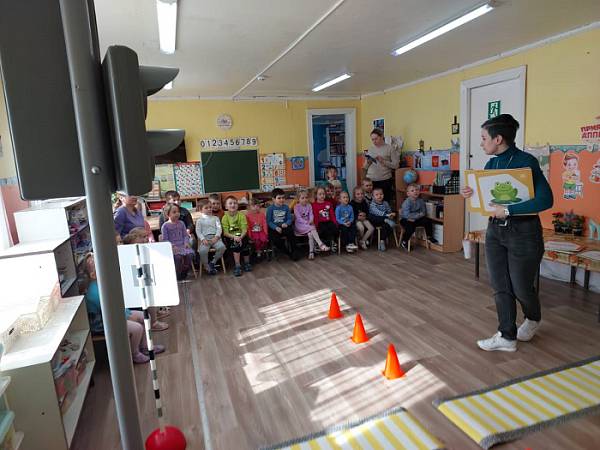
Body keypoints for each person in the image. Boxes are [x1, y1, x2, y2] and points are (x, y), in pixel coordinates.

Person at [460, 114, 553, 352]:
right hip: (495, 232)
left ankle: (533, 318)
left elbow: (546, 200)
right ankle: (506, 336)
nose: (481, 143)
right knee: (500, 285)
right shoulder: (491, 165)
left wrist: (510, 210)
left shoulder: (526, 162)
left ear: (498, 139)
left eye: (484, 138)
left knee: (521, 287)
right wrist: (472, 193)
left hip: (524, 233)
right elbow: (490, 200)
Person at [81, 253, 165, 364]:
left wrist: (126, 314)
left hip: (112, 316)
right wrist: (126, 316)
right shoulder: (95, 292)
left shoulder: (102, 285)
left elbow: (114, 306)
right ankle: (135, 354)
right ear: (93, 275)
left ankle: (145, 346)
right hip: (102, 324)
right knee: (137, 328)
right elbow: (109, 312)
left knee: (145, 317)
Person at [122, 227, 169, 330]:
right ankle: (153, 322)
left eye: (146, 236)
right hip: (134, 286)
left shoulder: (142, 248)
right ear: (134, 239)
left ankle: (156, 313)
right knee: (149, 290)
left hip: (140, 280)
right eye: (143, 237)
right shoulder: (131, 251)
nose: (146, 239)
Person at [362, 128, 399, 203]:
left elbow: (396, 165)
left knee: (385, 202)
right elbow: (365, 167)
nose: (374, 141)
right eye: (372, 139)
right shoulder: (371, 148)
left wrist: (383, 161)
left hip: (384, 180)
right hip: (371, 180)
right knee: (371, 202)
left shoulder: (390, 148)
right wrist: (368, 162)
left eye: (376, 139)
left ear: (382, 136)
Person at [161, 204, 195, 280]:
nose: (177, 214)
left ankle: (185, 270)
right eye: (174, 212)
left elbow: (185, 235)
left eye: (178, 212)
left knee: (190, 255)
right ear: (168, 214)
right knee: (178, 257)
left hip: (182, 245)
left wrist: (186, 242)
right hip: (173, 247)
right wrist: (172, 246)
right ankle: (177, 273)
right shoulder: (165, 226)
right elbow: (165, 239)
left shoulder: (181, 223)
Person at [294, 189, 330, 260]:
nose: (305, 199)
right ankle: (320, 244)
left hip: (308, 225)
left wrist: (311, 220)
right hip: (300, 226)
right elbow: (298, 218)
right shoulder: (296, 207)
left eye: (306, 197)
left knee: (310, 234)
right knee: (313, 228)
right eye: (302, 198)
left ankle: (311, 252)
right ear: (298, 199)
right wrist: (307, 222)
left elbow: (311, 215)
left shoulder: (309, 206)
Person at [221, 196, 252, 276]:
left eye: (235, 203)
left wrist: (240, 237)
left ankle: (247, 263)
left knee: (246, 245)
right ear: (226, 206)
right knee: (236, 245)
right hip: (231, 237)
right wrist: (235, 237)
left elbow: (244, 229)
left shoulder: (241, 215)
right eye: (230, 203)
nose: (233, 205)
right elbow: (225, 232)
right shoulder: (225, 218)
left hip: (242, 235)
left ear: (237, 205)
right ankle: (237, 265)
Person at [399, 183, 436, 250]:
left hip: (415, 219)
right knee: (410, 228)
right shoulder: (407, 202)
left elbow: (423, 212)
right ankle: (404, 241)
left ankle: (429, 236)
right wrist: (417, 215)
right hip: (405, 219)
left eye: (416, 190)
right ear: (408, 194)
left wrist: (416, 217)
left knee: (428, 221)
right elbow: (406, 215)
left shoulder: (421, 201)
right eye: (412, 191)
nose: (415, 192)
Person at [195, 200, 226, 275]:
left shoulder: (215, 218)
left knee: (222, 247)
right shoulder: (199, 220)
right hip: (205, 239)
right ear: (200, 210)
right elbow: (198, 231)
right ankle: (206, 266)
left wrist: (217, 236)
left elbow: (219, 228)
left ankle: (213, 262)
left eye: (210, 207)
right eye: (206, 208)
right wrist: (202, 239)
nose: (209, 209)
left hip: (215, 238)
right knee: (202, 251)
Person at [267, 188, 297, 260]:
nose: (281, 199)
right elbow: (269, 221)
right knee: (275, 240)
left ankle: (294, 252)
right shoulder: (270, 209)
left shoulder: (286, 207)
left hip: (284, 226)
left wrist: (286, 223)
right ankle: (287, 252)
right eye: (279, 198)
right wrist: (275, 227)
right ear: (273, 199)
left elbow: (289, 219)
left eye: (283, 197)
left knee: (291, 234)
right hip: (274, 228)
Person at [312, 186, 338, 252]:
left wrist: (335, 223)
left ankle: (332, 242)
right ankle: (324, 243)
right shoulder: (314, 205)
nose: (322, 196)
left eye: (323, 194)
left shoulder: (328, 204)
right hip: (320, 223)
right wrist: (316, 225)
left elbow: (332, 215)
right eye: (320, 194)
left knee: (334, 228)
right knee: (323, 230)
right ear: (316, 195)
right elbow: (315, 216)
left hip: (328, 221)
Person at [368, 187, 395, 251]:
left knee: (387, 226)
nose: (379, 196)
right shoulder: (372, 204)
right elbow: (378, 212)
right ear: (373, 197)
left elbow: (389, 210)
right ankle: (385, 220)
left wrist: (391, 214)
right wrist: (387, 216)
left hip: (385, 221)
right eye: (377, 195)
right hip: (375, 221)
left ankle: (382, 240)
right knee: (373, 216)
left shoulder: (385, 203)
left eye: (381, 194)